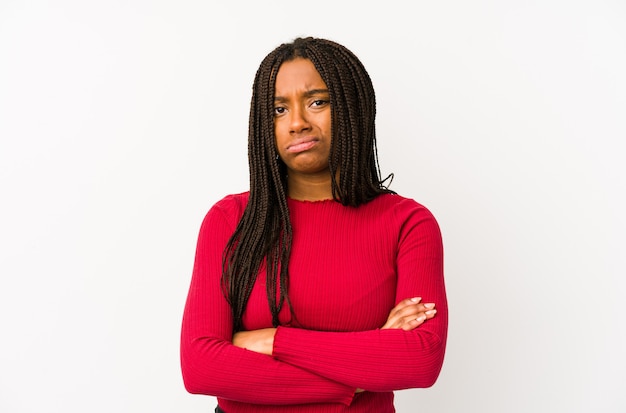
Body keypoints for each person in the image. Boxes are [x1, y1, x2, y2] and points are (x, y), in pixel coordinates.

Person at [180, 37, 448, 413]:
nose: (296, 123)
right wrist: (357, 375)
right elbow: (201, 368)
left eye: (317, 102)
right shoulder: (230, 221)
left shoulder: (408, 224)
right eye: (278, 109)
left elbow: (419, 360)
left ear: (353, 108)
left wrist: (273, 341)